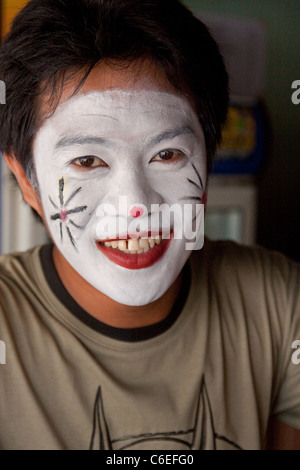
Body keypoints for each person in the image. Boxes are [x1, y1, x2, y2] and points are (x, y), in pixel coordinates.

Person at [0, 0, 299, 451]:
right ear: (27, 181)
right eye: (86, 160)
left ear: (209, 157)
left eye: (167, 155)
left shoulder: (279, 304)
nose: (136, 206)